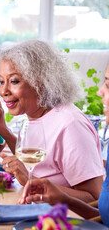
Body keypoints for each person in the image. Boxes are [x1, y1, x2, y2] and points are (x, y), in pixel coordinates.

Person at [0, 39, 104, 203]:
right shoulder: (35, 114)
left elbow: (95, 199)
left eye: (14, 81)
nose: (3, 91)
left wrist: (31, 181)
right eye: (2, 81)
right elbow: (35, 160)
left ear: (41, 82)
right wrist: (3, 129)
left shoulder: (70, 125)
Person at [18, 66, 109, 227]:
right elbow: (104, 215)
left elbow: (96, 200)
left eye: (108, 84)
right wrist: (64, 199)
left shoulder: (69, 122)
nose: (100, 91)